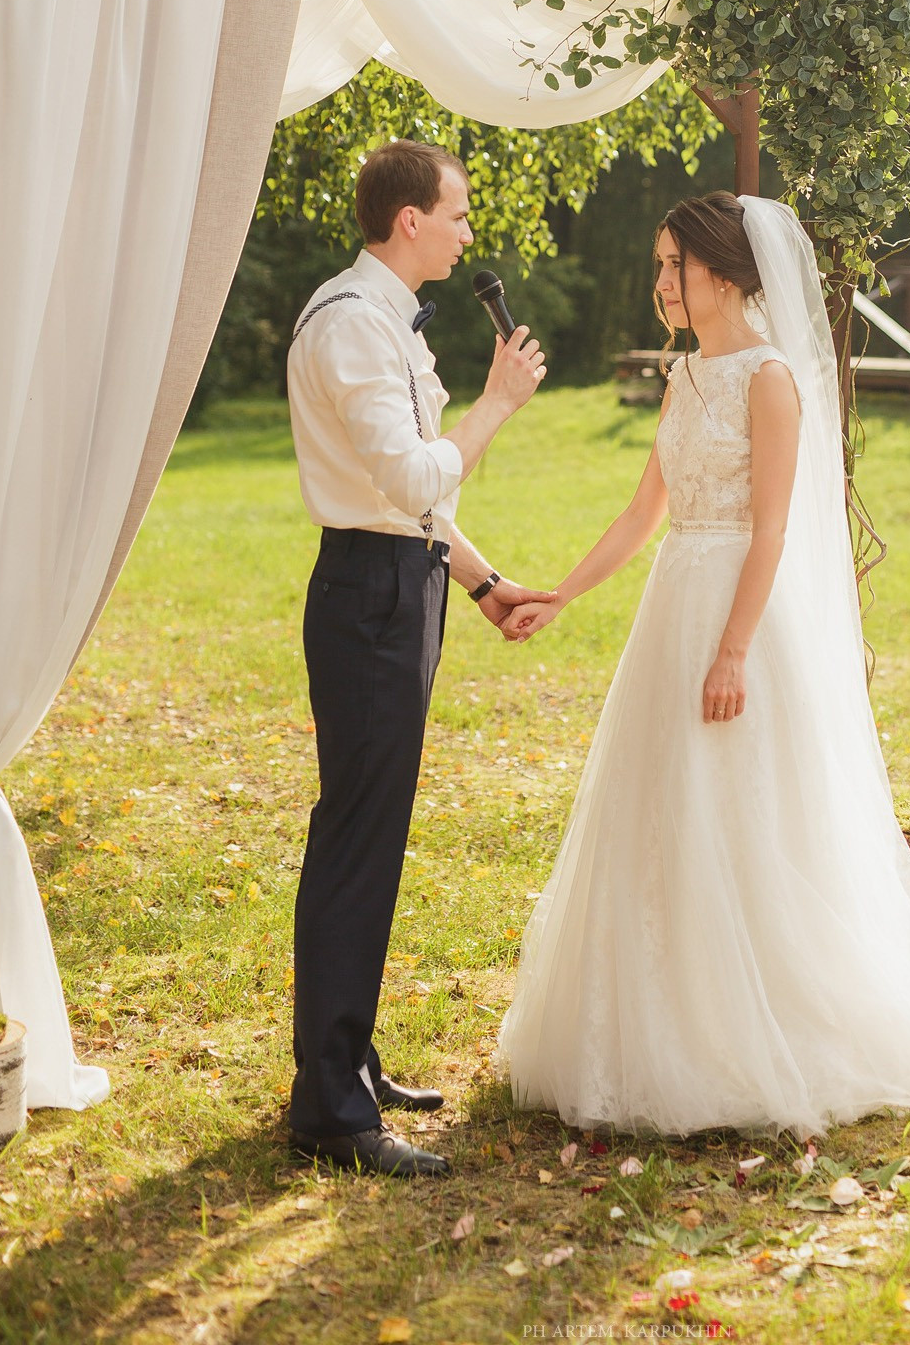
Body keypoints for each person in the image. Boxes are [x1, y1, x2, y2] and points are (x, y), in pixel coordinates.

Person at [496, 192, 910, 1135]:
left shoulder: (770, 380)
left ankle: (760, 1023)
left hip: (739, 614)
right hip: (673, 605)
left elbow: (774, 530)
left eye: (675, 265)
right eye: (659, 265)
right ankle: (661, 1017)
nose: (662, 282)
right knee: (665, 805)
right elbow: (643, 513)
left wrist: (733, 651)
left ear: (725, 273)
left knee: (741, 810)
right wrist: (562, 593)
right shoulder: (684, 375)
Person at [286, 139, 551, 1178]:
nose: (466, 231)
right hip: (371, 597)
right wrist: (497, 404)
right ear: (410, 220)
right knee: (358, 839)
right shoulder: (354, 323)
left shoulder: (379, 317)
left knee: (370, 834)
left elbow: (409, 503)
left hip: (400, 581)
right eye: (458, 213)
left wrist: (480, 584)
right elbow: (406, 482)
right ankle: (331, 1110)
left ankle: (345, 1061)